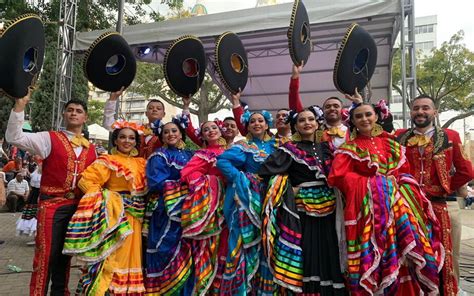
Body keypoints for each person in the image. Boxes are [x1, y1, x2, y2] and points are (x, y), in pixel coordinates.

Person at [328, 102, 444, 295]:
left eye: (368, 114)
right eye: (359, 116)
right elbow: (339, 178)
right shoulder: (348, 148)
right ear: (353, 122)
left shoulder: (391, 143)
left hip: (401, 206)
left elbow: (406, 172)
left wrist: (397, 182)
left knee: (404, 252)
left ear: (376, 117)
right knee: (378, 252)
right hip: (369, 212)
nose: (364, 119)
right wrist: (377, 183)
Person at [5, 90, 97, 295]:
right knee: (46, 255)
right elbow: (14, 137)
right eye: (70, 110)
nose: (74, 113)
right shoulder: (49, 138)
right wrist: (20, 106)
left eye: (79, 111)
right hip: (52, 206)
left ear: (85, 117)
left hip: (78, 209)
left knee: (66, 256)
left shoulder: (92, 149)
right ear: (64, 114)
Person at [259, 107, 347, 294]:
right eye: (302, 120)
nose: (307, 123)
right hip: (303, 207)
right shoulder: (290, 149)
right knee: (307, 245)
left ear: (317, 123)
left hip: (330, 204)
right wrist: (288, 188)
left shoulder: (327, 148)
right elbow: (265, 171)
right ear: (296, 126)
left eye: (311, 119)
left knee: (329, 244)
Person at [395, 94, 474, 295]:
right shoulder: (399, 136)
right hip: (407, 207)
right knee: (411, 253)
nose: (420, 112)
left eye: (425, 108)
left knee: (447, 254)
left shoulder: (450, 136)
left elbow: (467, 171)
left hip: (440, 205)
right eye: (416, 108)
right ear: (411, 112)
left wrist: (444, 188)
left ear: (434, 112)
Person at [63, 120, 146, 295]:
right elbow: (86, 181)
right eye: (122, 137)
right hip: (115, 216)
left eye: (131, 138)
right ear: (115, 140)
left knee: (131, 257)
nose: (127, 141)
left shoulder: (142, 163)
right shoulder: (108, 160)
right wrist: (108, 198)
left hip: (136, 216)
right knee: (113, 256)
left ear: (136, 142)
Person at [216, 110, 277, 294]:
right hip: (248, 197)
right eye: (252, 121)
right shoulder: (244, 146)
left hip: (272, 197)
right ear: (248, 126)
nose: (257, 124)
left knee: (269, 239)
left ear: (267, 124)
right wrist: (241, 178)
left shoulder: (278, 144)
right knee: (242, 239)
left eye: (260, 120)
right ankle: (240, 289)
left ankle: (263, 288)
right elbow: (222, 161)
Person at [144, 117, 194, 294]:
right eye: (166, 132)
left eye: (174, 131)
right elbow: (156, 183)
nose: (170, 134)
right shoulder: (159, 156)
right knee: (165, 250)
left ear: (181, 134)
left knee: (187, 253)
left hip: (187, 211)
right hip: (166, 211)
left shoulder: (190, 155)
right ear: (162, 137)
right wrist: (186, 183)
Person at [104, 88, 166, 158]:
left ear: (164, 114)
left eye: (158, 108)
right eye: (151, 108)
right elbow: (109, 124)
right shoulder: (136, 128)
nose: (154, 110)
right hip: (135, 167)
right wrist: (113, 99)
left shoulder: (168, 131)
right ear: (146, 113)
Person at [16, 162, 42, 237]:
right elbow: (32, 181)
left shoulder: (44, 171)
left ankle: (38, 235)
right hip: (34, 194)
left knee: (37, 215)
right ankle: (35, 236)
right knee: (32, 214)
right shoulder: (37, 170)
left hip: (39, 194)